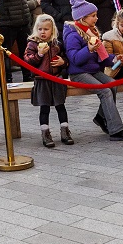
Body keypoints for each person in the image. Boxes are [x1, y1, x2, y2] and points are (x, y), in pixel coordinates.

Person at [63, 0, 123, 141]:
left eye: (96, 15)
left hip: (93, 70)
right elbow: (75, 59)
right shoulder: (73, 34)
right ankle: (116, 129)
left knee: (112, 85)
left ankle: (101, 117)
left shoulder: (92, 32)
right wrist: (89, 49)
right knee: (105, 91)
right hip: (79, 73)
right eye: (93, 16)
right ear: (83, 18)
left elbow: (102, 57)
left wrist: (116, 59)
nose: (96, 18)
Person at [24, 14, 73, 147]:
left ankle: (65, 131)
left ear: (52, 30)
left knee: (60, 106)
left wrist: (63, 62)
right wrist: (39, 54)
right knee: (44, 108)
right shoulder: (32, 44)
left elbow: (66, 59)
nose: (43, 32)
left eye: (46, 29)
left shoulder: (57, 44)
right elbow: (28, 61)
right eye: (40, 29)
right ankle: (45, 133)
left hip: (56, 79)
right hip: (42, 80)